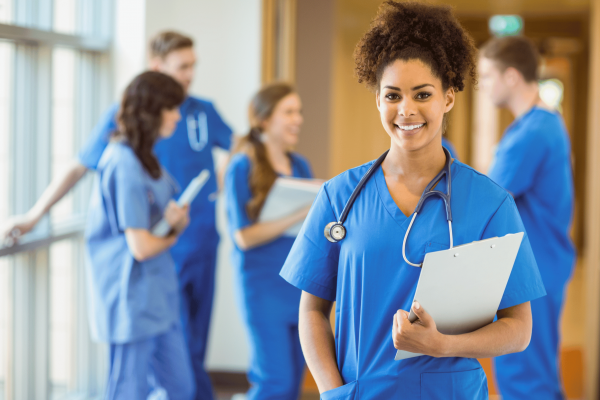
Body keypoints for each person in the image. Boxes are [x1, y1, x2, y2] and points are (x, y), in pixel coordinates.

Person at [279, 2, 546, 399]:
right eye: (392, 95)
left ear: (448, 98)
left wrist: (445, 345)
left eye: (423, 94)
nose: (407, 110)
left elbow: (519, 329)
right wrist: (332, 392)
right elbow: (312, 310)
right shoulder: (340, 196)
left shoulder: (490, 204)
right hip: (360, 392)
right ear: (378, 101)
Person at [2, 31, 231, 399]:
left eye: (193, 66)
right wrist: (34, 216)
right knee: (134, 383)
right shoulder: (123, 153)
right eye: (182, 67)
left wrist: (220, 183)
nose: (190, 76)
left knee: (185, 369)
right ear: (157, 71)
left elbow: (238, 147)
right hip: (139, 275)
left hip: (186, 254)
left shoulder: (179, 127)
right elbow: (80, 169)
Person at [86, 71, 193, 398]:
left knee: (180, 388)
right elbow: (142, 247)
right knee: (127, 390)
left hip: (157, 295)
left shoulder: (147, 160)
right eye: (171, 108)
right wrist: (174, 235)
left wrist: (175, 222)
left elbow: (155, 222)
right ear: (151, 110)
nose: (177, 116)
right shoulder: (123, 163)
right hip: (130, 297)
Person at [479, 36, 575, 400]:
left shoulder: (533, 132)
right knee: (539, 374)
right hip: (543, 264)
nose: (483, 85)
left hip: (533, 270)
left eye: (488, 76)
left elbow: (488, 197)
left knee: (526, 378)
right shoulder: (541, 124)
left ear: (512, 77)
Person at [224, 83, 313, 400]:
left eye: (299, 112)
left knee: (293, 383)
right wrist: (299, 213)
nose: (298, 119)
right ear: (263, 120)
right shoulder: (241, 167)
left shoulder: (300, 165)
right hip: (263, 289)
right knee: (274, 381)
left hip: (298, 285)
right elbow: (243, 237)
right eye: (289, 112)